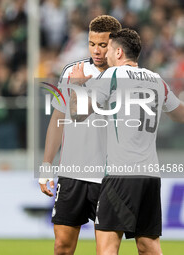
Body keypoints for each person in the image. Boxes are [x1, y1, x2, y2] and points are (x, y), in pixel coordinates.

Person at [69, 28, 184, 255]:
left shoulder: (111, 77)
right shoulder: (157, 80)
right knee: (149, 246)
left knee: (107, 247)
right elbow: (180, 115)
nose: (106, 54)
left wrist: (76, 85)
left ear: (119, 52)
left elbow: (76, 114)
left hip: (121, 174)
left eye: (109, 49)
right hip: (150, 175)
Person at [39, 15, 121, 255]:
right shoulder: (72, 71)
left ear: (115, 45)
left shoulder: (124, 76)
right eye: (92, 43)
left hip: (108, 176)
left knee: (106, 251)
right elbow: (58, 119)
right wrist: (46, 164)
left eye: (103, 45)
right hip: (72, 172)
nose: (96, 50)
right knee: (62, 247)